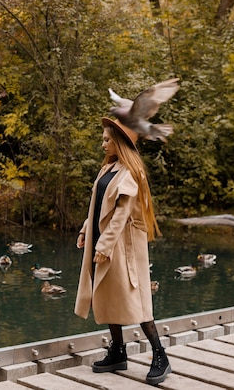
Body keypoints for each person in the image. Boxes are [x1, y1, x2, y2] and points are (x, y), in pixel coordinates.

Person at [74, 117, 172, 386]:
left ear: (120, 142)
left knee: (135, 299)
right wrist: (86, 230)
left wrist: (104, 245)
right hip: (103, 240)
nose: (103, 143)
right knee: (106, 294)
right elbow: (97, 207)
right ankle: (118, 350)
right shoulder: (108, 169)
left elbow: (121, 214)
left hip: (123, 244)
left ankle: (160, 354)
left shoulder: (130, 173)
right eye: (104, 138)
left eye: (107, 139)